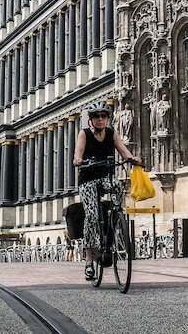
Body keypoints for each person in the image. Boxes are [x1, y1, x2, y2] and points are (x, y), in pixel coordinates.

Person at [73, 104, 140, 281]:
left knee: (118, 185)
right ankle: (88, 260)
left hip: (105, 176)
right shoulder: (84, 134)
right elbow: (78, 152)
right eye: (97, 116)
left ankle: (116, 216)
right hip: (88, 179)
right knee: (92, 216)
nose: (100, 119)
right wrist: (78, 160)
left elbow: (123, 151)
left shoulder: (111, 134)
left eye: (103, 116)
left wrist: (132, 158)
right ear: (91, 120)